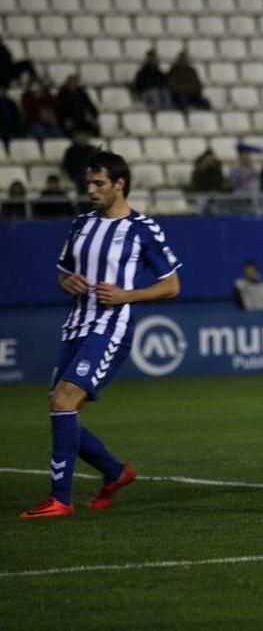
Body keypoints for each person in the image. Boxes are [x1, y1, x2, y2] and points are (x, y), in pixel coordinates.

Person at [20, 151, 182, 518]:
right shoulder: (80, 224)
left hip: (111, 329)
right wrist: (67, 282)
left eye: (99, 184)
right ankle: (115, 473)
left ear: (119, 184)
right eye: (88, 184)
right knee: (63, 409)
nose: (91, 190)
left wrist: (128, 295)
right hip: (75, 325)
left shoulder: (143, 228)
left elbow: (172, 286)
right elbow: (64, 274)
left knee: (63, 401)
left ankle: (60, 499)